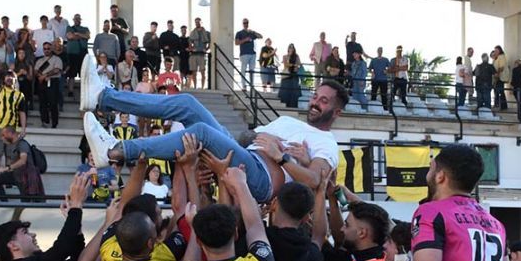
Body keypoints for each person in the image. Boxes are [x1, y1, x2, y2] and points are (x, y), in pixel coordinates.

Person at [79, 54, 343, 202]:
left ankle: (115, 150)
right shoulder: (288, 122)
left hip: (260, 181)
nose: (315, 103)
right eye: (315, 96)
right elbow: (246, 138)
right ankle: (103, 97)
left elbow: (315, 181)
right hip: (244, 156)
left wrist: (281, 156)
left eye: (323, 101)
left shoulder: (327, 143)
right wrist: (258, 138)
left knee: (202, 133)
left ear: (336, 111)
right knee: (187, 103)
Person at [0, 71, 28, 173]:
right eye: (7, 76)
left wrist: (23, 128)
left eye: (12, 76)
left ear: (16, 80)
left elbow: (22, 112)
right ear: (4, 79)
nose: (9, 78)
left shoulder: (20, 95)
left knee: (11, 155)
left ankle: (8, 179)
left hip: (11, 128)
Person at [0, 125, 43, 201]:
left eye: (3, 135)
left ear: (10, 133)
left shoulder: (22, 144)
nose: (2, 137)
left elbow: (23, 161)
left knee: (27, 201)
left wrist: (8, 168)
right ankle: (5, 204)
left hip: (26, 176)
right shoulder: (9, 145)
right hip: (16, 174)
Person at [35, 41, 64, 128]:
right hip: (42, 83)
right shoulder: (40, 60)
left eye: (48, 48)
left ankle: (54, 123)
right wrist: (41, 76)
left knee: (53, 103)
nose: (46, 50)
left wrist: (45, 75)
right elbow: (35, 70)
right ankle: (45, 121)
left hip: (53, 82)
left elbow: (57, 70)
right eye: (45, 49)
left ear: (51, 49)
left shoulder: (57, 59)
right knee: (42, 103)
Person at [235, 19, 262, 90]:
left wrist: (253, 32)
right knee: (243, 70)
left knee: (252, 70)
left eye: (247, 23)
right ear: (242, 24)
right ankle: (244, 86)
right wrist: (245, 40)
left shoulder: (251, 33)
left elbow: (260, 36)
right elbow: (236, 43)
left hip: (252, 54)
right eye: (244, 23)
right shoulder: (239, 33)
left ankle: (252, 85)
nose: (245, 24)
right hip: (244, 54)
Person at [65, 14, 90, 87]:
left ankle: (84, 90)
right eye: (76, 19)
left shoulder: (85, 28)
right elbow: (70, 36)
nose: (77, 20)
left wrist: (77, 34)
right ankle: (70, 91)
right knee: (71, 74)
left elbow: (87, 36)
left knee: (84, 73)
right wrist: (82, 36)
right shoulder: (69, 28)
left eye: (78, 19)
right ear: (73, 20)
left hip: (83, 53)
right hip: (72, 53)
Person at [188, 17, 210, 89]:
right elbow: (190, 42)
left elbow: (209, 42)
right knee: (194, 72)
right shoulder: (193, 32)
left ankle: (203, 87)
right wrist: (191, 48)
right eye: (196, 22)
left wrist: (206, 49)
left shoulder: (206, 33)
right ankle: (194, 86)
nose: (197, 23)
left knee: (202, 71)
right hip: (194, 54)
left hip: (202, 54)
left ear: (201, 22)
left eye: (198, 22)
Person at [278, 44, 301, 108]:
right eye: (290, 48)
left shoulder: (296, 56)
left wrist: (293, 65)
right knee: (285, 91)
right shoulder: (285, 56)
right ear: (288, 49)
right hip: (287, 75)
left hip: (294, 75)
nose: (291, 49)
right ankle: (285, 105)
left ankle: (293, 106)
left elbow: (299, 65)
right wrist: (293, 64)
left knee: (294, 92)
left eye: (292, 48)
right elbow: (286, 65)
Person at [492, 46, 509, 111]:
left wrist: (497, 75)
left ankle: (503, 105)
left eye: (496, 51)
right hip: (497, 76)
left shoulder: (501, 57)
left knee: (500, 91)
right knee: (498, 91)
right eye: (495, 51)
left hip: (500, 77)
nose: (495, 52)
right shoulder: (496, 58)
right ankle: (499, 104)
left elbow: (501, 67)